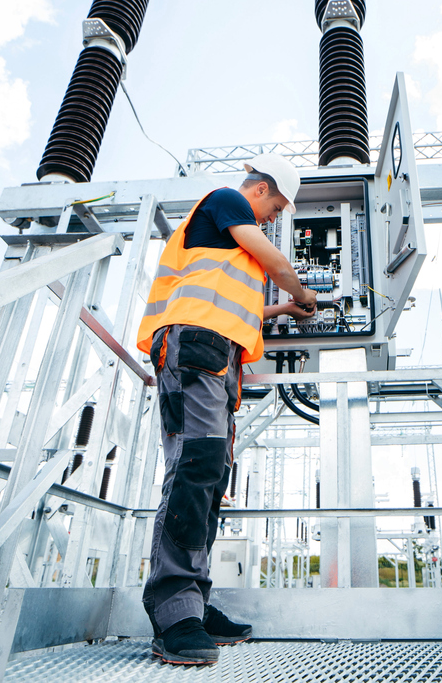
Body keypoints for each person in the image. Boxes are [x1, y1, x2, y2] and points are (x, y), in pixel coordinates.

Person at [135, 153, 318, 665]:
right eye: (277, 206)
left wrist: (281, 309)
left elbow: (238, 304)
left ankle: (194, 601)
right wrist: (302, 296)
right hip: (193, 346)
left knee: (212, 476)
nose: (275, 218)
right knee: (195, 468)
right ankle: (173, 611)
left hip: (216, 356)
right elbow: (280, 266)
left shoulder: (229, 245)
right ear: (259, 189)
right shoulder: (227, 200)